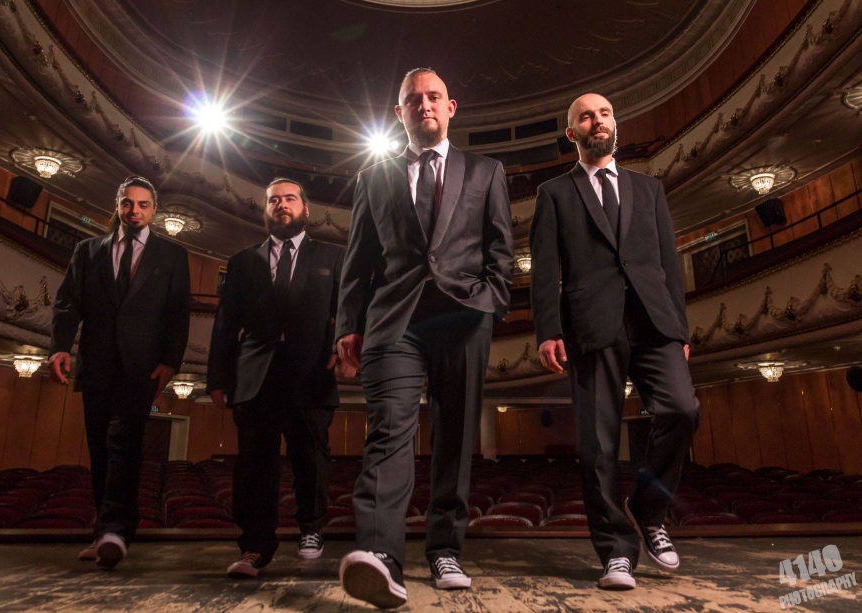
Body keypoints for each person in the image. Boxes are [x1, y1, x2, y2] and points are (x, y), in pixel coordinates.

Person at [335, 67, 514, 608]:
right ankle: (381, 557)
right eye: (413, 99)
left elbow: (501, 250)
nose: (425, 105)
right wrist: (348, 325)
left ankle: (445, 550)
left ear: (451, 107)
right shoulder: (373, 177)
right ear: (400, 113)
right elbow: (358, 260)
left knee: (455, 436)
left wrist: (490, 301)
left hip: (464, 318)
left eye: (434, 96)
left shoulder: (486, 170)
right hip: (395, 321)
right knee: (388, 431)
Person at [529, 93, 700, 589]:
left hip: (654, 320)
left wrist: (680, 327)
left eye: (604, 113)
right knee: (598, 444)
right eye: (586, 116)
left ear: (614, 124)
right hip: (590, 322)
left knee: (682, 409)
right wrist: (547, 330)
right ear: (573, 133)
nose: (597, 121)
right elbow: (545, 269)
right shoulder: (553, 193)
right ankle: (615, 553)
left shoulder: (650, 188)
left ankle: (648, 509)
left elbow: (668, 262)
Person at [48, 175, 191, 569]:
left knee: (122, 443)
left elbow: (178, 314)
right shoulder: (88, 250)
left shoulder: (172, 255)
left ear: (154, 210)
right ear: (117, 205)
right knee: (100, 448)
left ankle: (115, 530)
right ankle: (107, 531)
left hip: (142, 367)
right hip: (96, 363)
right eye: (128, 203)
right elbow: (67, 302)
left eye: (143, 204)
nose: (134, 210)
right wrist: (60, 346)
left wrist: (171, 361)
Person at [207, 178, 345, 579]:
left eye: (290, 199)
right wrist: (217, 376)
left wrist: (344, 348)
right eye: (273, 200)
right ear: (265, 209)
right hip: (255, 374)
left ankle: (311, 528)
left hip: (312, 371)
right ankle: (255, 545)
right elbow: (225, 324)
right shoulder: (242, 261)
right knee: (254, 465)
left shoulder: (333, 257)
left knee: (311, 459)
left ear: (306, 209)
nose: (281, 205)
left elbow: (349, 310)